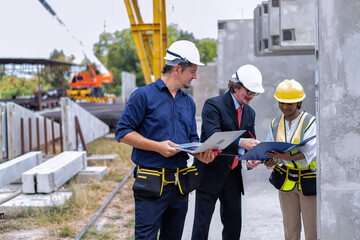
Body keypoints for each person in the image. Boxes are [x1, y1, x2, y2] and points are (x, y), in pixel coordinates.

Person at [115, 40, 216, 240]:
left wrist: (201, 153)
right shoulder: (143, 96)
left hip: (180, 185)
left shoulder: (188, 102)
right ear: (178, 69)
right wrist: (157, 147)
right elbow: (123, 132)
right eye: (192, 71)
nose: (195, 76)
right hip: (151, 183)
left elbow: (192, 139)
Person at [191, 64, 265, 240]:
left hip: (232, 176)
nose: (252, 96)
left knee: (233, 228)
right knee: (201, 228)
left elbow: (250, 140)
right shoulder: (213, 105)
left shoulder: (250, 113)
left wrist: (251, 159)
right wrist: (242, 143)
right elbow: (214, 137)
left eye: (255, 93)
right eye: (249, 91)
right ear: (236, 86)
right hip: (209, 173)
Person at [263, 79, 316, 240]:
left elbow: (311, 151)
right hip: (286, 183)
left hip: (308, 181)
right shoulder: (275, 123)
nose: (285, 107)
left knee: (312, 230)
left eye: (289, 104)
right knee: (290, 231)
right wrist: (269, 160)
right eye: (281, 103)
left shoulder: (310, 122)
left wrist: (289, 156)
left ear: (299, 102)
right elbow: (270, 150)